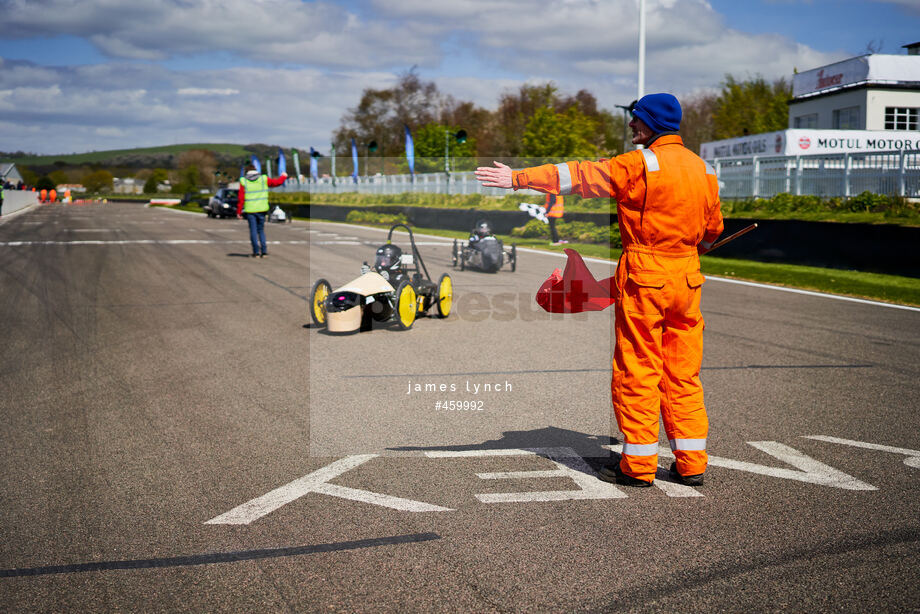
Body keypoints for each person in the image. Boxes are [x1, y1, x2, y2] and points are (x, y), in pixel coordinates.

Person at [475, 93, 723, 487]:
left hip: (646, 274)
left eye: (636, 120)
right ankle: (691, 463)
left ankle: (639, 467)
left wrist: (518, 179)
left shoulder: (640, 164)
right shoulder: (703, 169)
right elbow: (712, 231)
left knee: (638, 369)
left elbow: (577, 175)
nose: (630, 126)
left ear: (652, 124)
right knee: (683, 373)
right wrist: (695, 246)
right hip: (688, 276)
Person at [237, 164, 287, 257]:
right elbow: (276, 183)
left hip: (250, 210)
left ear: (246, 172)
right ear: (256, 170)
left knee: (253, 231)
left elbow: (241, 198)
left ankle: (256, 252)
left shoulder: (244, 181)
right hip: (262, 209)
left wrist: (239, 211)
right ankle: (264, 251)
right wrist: (283, 177)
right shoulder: (263, 179)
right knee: (261, 230)